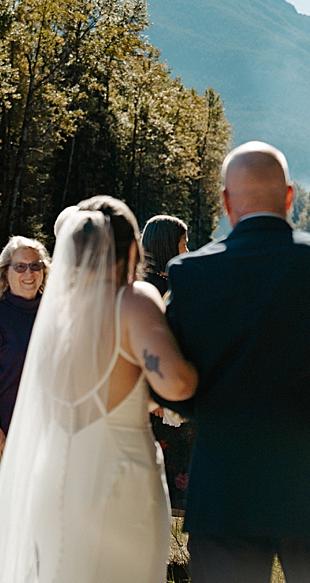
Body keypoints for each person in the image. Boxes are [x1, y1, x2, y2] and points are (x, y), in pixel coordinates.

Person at [155, 141, 310, 583]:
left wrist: (204, 412)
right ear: (289, 196)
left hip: (225, 483)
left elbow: (168, 382)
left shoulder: (191, 273)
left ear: (226, 202)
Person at [0, 196, 199, 582]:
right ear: (129, 249)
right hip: (118, 480)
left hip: (54, 476)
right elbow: (175, 383)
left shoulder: (54, 313)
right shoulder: (133, 299)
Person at [140, 214, 194, 513]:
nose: (187, 250)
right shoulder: (145, 290)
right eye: (183, 244)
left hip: (174, 391)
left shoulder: (179, 282)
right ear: (166, 247)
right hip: (154, 399)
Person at [0, 236, 50, 440]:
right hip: (7, 435)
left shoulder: (53, 313)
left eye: (35, 265)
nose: (29, 273)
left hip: (48, 433)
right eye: (20, 267)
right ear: (5, 272)